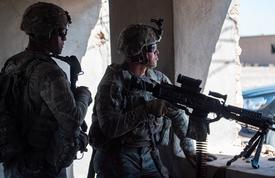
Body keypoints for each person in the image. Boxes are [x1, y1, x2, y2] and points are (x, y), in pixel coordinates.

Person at [88, 19, 201, 178]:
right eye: (153, 49)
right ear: (138, 52)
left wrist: (189, 149)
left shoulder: (159, 79)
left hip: (149, 153)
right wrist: (147, 109)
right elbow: (110, 128)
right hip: (117, 156)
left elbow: (177, 113)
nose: (157, 53)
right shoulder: (113, 82)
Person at [1, 2, 92, 178]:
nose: (64, 38)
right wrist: (83, 95)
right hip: (41, 166)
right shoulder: (48, 72)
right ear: (47, 32)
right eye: (62, 32)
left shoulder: (13, 63)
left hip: (14, 162)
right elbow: (72, 121)